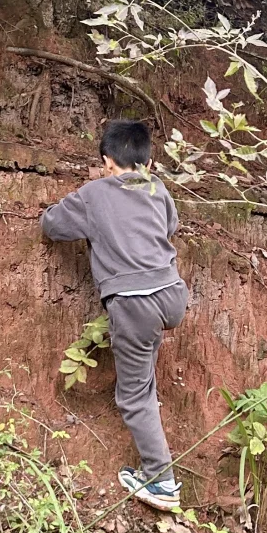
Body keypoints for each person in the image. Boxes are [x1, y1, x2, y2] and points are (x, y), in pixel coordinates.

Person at [40, 119, 188, 511]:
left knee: (133, 395)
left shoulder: (94, 193)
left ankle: (161, 482)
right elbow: (170, 227)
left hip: (135, 303)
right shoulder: (157, 188)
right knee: (145, 372)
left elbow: (52, 225)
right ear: (148, 162)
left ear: (107, 161)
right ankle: (156, 453)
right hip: (172, 295)